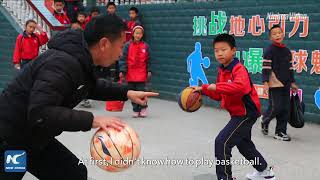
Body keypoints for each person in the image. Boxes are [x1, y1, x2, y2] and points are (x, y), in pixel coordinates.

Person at [0, 14, 158, 180]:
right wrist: (93, 120)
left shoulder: (80, 60)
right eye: (120, 47)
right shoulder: (61, 63)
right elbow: (40, 112)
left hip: (35, 138)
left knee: (74, 173)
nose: (120, 54)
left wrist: (127, 93)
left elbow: (90, 86)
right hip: (11, 139)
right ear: (104, 44)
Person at [193, 34, 275, 180]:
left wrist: (214, 86)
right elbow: (219, 94)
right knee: (244, 145)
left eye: (223, 49)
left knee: (222, 142)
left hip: (246, 113)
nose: (219, 53)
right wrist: (203, 90)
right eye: (216, 50)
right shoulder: (222, 70)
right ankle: (265, 172)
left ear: (233, 51)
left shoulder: (238, 68)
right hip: (238, 113)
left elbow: (241, 87)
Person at [261, 24, 298, 141]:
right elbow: (266, 67)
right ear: (270, 37)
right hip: (275, 83)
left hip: (286, 83)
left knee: (285, 108)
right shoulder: (269, 50)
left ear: (283, 34)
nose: (277, 35)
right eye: (274, 34)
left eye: (279, 33)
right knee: (276, 107)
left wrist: (292, 82)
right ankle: (265, 119)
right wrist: (266, 82)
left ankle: (280, 132)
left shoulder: (287, 51)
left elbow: (290, 68)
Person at [120, 26, 152, 118]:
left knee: (142, 92)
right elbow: (123, 59)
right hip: (130, 73)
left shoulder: (146, 46)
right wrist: (123, 70)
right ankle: (135, 109)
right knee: (132, 93)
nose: (138, 35)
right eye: (136, 33)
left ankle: (143, 108)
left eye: (140, 33)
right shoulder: (127, 45)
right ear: (133, 34)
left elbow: (149, 60)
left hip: (142, 73)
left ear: (142, 35)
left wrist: (149, 70)